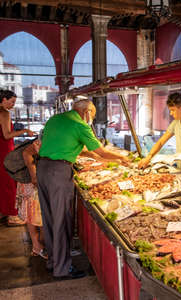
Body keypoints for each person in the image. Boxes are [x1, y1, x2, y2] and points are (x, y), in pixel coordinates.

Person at [37, 99, 130, 279]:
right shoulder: (80, 125)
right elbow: (101, 151)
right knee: (61, 220)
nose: (91, 120)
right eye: (92, 115)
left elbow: (78, 149)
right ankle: (62, 268)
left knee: (48, 218)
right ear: (86, 112)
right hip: (59, 172)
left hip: (43, 168)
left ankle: (53, 261)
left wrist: (104, 158)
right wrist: (123, 158)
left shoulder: (55, 119)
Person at [138, 92, 181, 177]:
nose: (171, 113)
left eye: (173, 110)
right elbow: (161, 142)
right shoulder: (175, 123)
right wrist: (149, 157)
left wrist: (177, 157)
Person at [0, 90, 34, 226]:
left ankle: (1, 212)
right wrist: (25, 131)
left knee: (0, 181)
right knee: (10, 181)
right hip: (4, 148)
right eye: (12, 102)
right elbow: (7, 135)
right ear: (4, 99)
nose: (13, 105)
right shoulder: (4, 113)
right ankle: (12, 215)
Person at [16, 138, 47, 259]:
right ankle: (37, 245)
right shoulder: (42, 141)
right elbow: (26, 153)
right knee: (35, 213)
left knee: (34, 213)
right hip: (31, 181)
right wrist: (34, 177)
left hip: (35, 180)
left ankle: (38, 245)